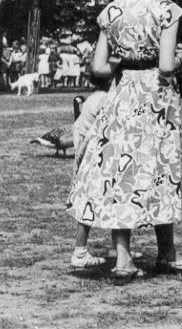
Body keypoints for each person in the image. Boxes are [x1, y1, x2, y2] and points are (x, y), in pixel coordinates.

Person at [66, 0, 182, 283]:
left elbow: (99, 67)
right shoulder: (167, 9)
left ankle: (127, 257)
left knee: (120, 169)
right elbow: (167, 64)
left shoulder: (111, 10)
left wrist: (127, 59)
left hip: (122, 91)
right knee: (159, 168)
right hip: (155, 96)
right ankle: (167, 254)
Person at [68, 79, 111, 269]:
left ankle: (119, 247)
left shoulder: (96, 96)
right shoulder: (104, 98)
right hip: (88, 146)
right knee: (89, 199)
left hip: (87, 142)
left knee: (109, 194)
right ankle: (80, 252)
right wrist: (81, 158)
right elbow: (93, 133)